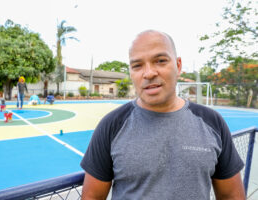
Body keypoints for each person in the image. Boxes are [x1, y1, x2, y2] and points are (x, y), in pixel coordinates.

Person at [80, 30, 245, 200]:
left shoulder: (212, 122)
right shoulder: (111, 125)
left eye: (160, 61)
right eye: (137, 65)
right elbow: (92, 197)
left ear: (178, 65)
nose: (149, 73)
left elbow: (231, 195)